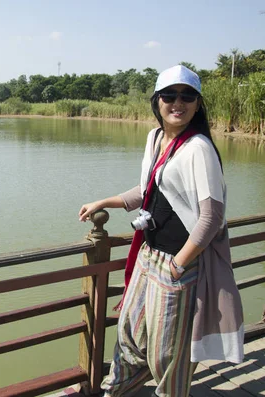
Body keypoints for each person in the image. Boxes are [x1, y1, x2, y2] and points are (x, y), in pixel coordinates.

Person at [78, 65, 244, 397]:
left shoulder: (198, 148)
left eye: (187, 96)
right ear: (157, 102)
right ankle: (116, 391)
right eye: (169, 95)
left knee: (168, 353)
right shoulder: (155, 138)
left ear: (198, 104)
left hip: (179, 265)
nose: (177, 103)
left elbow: (211, 218)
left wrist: (179, 264)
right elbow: (147, 190)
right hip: (148, 256)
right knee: (129, 334)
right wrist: (104, 202)